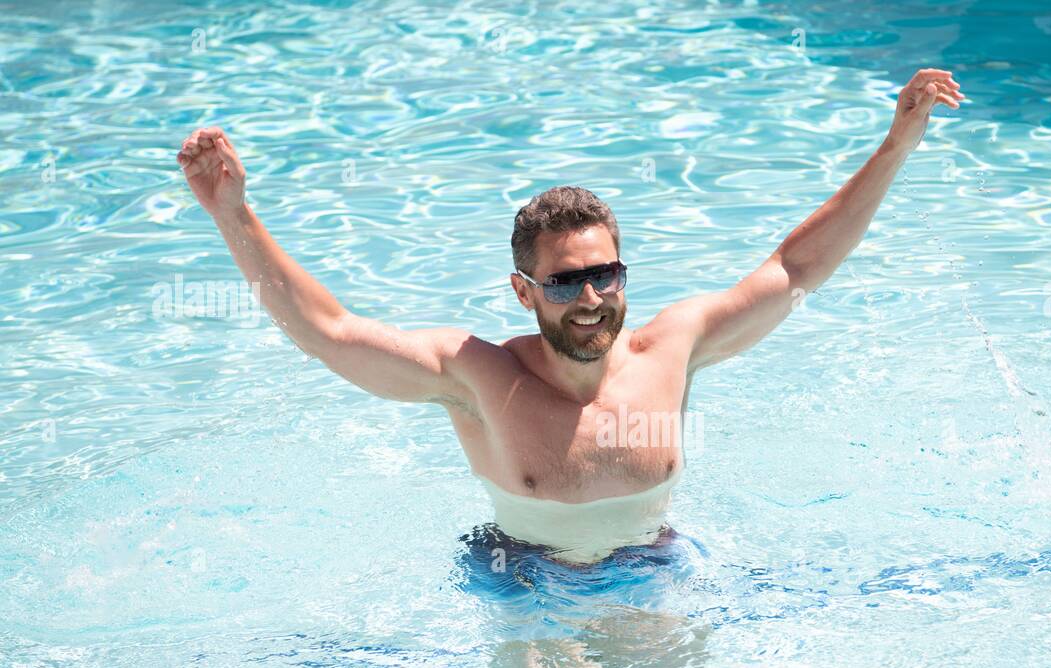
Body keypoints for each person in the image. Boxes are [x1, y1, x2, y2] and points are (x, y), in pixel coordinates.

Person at [177, 69, 962, 561]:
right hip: (521, 581)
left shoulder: (672, 352)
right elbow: (330, 332)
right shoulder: (478, 376)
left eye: (605, 275)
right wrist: (232, 216)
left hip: (652, 564)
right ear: (525, 292)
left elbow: (795, 267)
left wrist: (896, 144)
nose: (590, 300)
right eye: (564, 284)